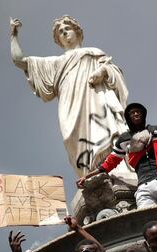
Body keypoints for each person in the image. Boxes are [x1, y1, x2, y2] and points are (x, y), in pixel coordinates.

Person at [9, 16, 130, 180]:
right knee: (73, 140)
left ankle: (113, 166)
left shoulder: (93, 53)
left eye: (67, 29)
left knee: (104, 132)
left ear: (77, 32)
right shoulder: (56, 62)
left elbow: (115, 73)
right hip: (70, 107)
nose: (64, 32)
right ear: (58, 40)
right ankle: (89, 174)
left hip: (96, 99)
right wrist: (13, 35)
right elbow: (19, 61)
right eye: (60, 32)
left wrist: (103, 72)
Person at [81, 102, 157, 208]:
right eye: (132, 112)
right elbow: (107, 165)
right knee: (147, 222)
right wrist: (86, 176)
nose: (136, 114)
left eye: (138, 112)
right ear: (128, 118)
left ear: (143, 115)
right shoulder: (124, 139)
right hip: (143, 187)